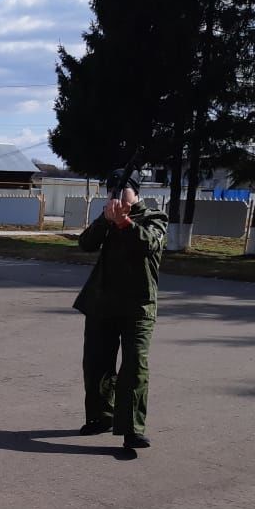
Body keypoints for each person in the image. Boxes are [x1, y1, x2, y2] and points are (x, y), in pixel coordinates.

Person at [74, 167, 168, 450]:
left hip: (138, 307)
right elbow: (86, 244)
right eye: (110, 191)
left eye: (120, 190)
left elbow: (148, 244)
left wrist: (125, 222)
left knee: (134, 367)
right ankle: (102, 416)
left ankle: (132, 429)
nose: (114, 196)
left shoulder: (154, 218)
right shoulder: (108, 219)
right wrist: (106, 220)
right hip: (102, 304)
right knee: (97, 365)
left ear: (135, 192)